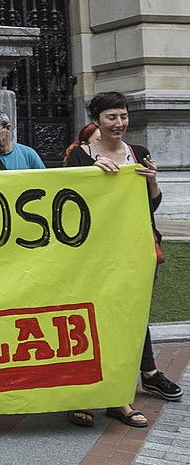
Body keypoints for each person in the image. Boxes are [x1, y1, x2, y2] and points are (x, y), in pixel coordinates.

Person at [65, 92, 182, 429]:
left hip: (135, 249)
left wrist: (153, 180)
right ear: (96, 120)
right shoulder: (80, 156)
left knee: (133, 310)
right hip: (95, 254)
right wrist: (90, 175)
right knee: (94, 316)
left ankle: (135, 383)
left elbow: (151, 207)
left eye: (123, 116)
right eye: (111, 117)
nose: (119, 124)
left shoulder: (139, 154)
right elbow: (71, 205)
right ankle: (88, 391)